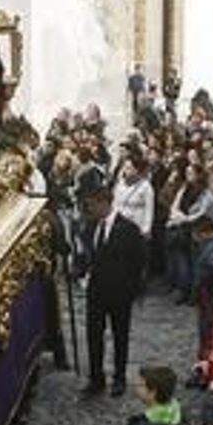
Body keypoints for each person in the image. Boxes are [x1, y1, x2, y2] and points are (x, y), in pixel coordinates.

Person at [74, 168, 146, 397]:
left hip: (119, 293)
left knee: (120, 336)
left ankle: (119, 378)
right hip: (96, 291)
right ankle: (96, 378)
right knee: (94, 335)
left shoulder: (128, 229)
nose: (89, 210)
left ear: (105, 203)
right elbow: (86, 255)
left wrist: (133, 290)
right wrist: (79, 270)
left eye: (92, 205)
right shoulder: (90, 226)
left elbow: (139, 262)